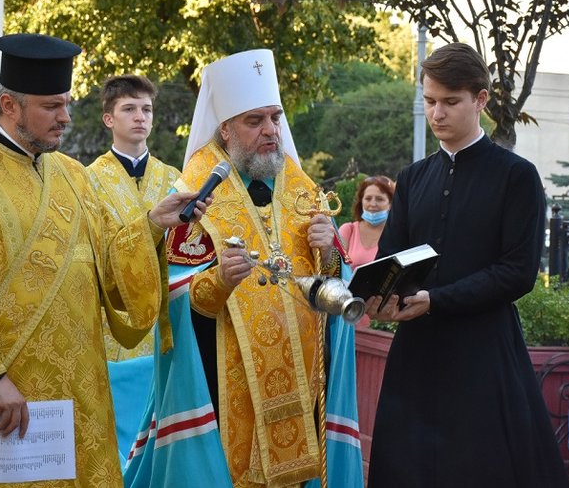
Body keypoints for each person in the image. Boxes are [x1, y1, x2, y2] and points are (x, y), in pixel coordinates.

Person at [0, 33, 207, 488]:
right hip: (4, 396)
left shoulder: (72, 176)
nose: (65, 117)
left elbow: (109, 263)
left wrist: (151, 227)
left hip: (78, 394)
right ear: (9, 105)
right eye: (51, 106)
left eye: (66, 103)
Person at [123, 49, 363, 488]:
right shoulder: (196, 189)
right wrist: (219, 282)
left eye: (275, 118)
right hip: (226, 378)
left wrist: (329, 252)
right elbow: (174, 295)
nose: (271, 131)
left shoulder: (299, 184)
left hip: (300, 371)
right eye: (256, 121)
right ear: (225, 128)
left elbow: (329, 279)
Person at [365, 42, 568, 487]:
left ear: (480, 100)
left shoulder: (516, 177)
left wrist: (436, 300)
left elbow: (518, 273)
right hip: (416, 356)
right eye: (430, 101)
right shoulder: (414, 177)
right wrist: (379, 295)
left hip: (484, 355)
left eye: (450, 102)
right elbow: (391, 258)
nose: (437, 114)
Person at [88, 74, 181, 362]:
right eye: (129, 109)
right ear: (109, 119)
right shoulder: (87, 181)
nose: (139, 117)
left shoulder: (174, 179)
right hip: (113, 325)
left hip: (167, 324)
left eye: (146, 109)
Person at [337, 175, 394, 269]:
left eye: (380, 199)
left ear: (390, 204)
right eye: (368, 198)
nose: (373, 204)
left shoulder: (397, 234)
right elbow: (335, 267)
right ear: (361, 201)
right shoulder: (348, 230)